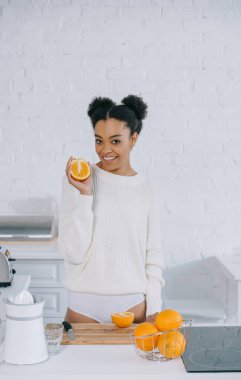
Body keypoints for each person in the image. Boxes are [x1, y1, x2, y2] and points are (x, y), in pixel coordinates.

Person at [57, 95, 164, 324]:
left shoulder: (146, 189)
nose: (105, 150)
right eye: (99, 140)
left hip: (132, 304)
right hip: (82, 304)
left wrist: (154, 306)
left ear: (133, 139)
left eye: (115, 141)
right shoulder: (76, 179)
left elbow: (153, 254)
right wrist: (86, 194)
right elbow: (73, 252)